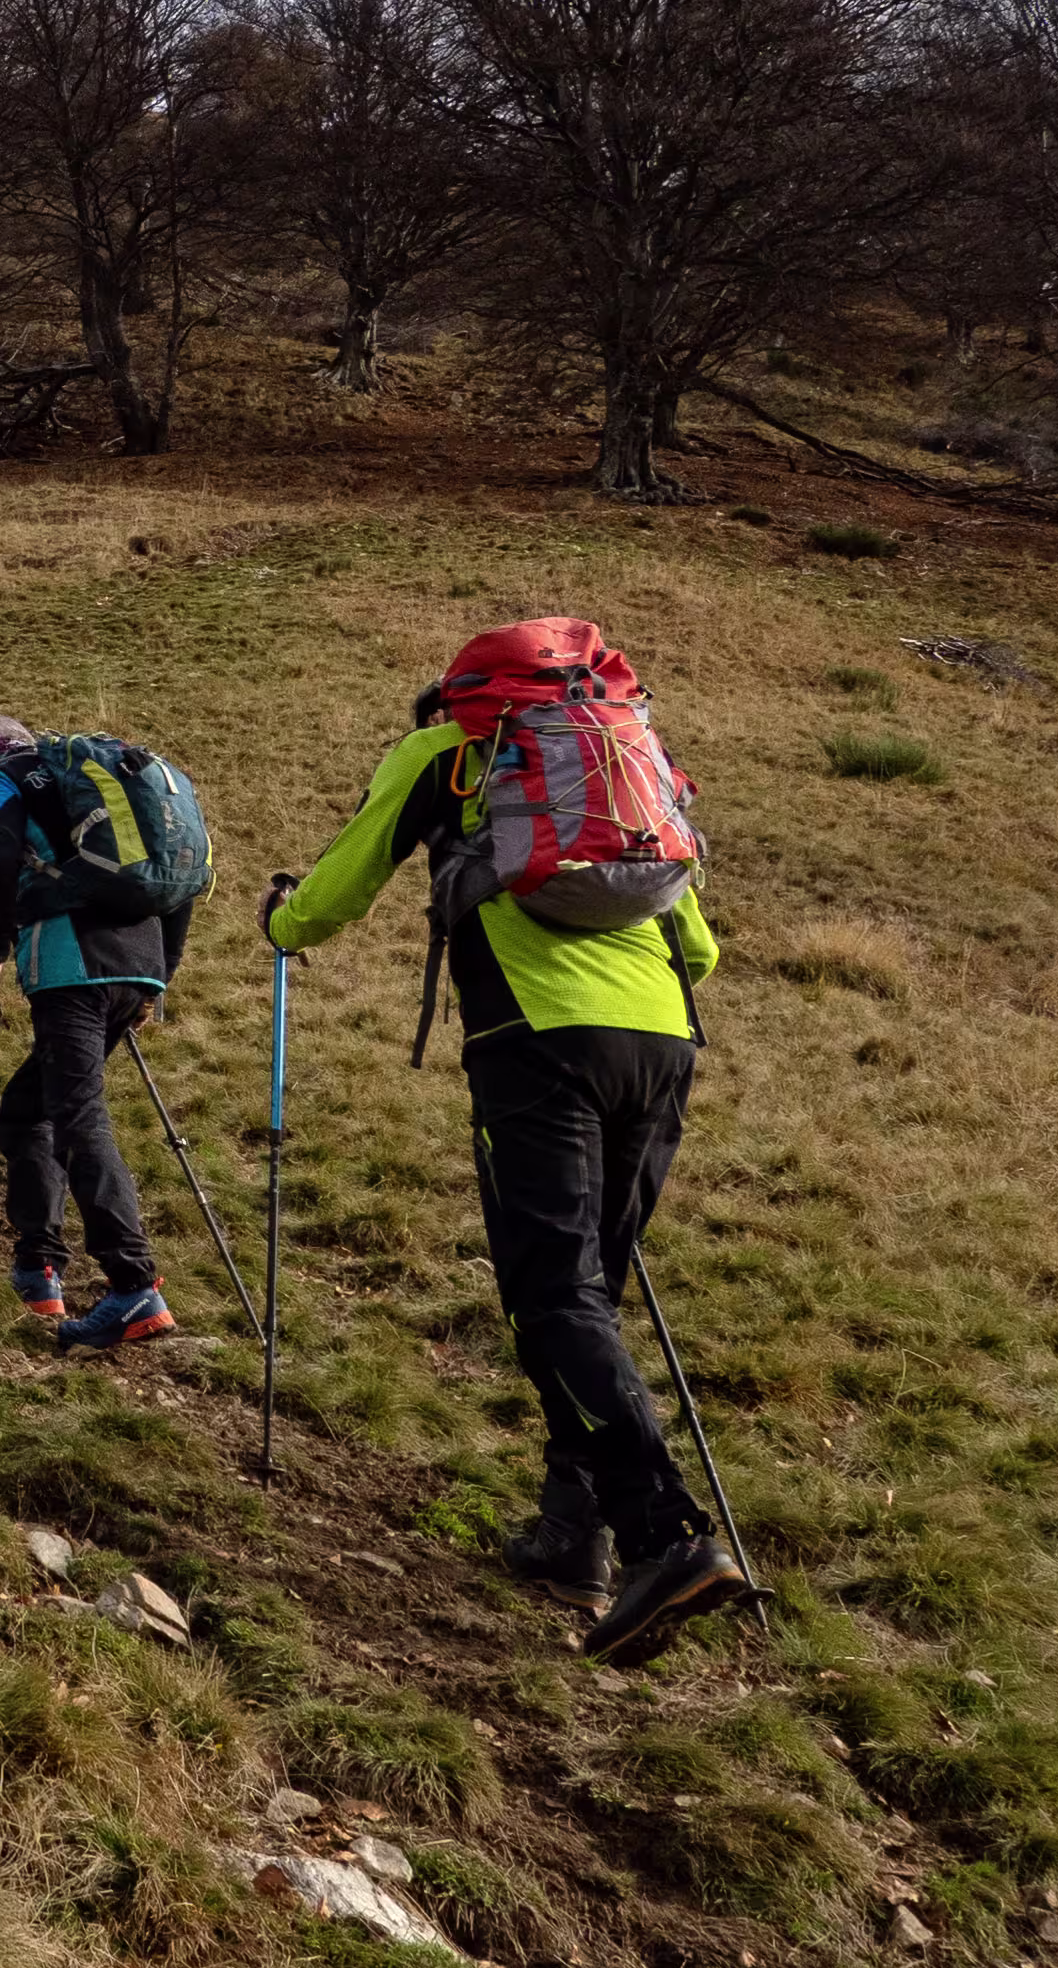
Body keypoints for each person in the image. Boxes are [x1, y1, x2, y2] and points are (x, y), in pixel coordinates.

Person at [259, 637, 752, 1661]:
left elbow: (339, 889)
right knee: (591, 1292)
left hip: (538, 1041)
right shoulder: (617, 762)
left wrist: (284, 923)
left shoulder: (442, 754)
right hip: (663, 1041)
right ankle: (577, 1538)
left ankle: (665, 1536)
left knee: (553, 1296)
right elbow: (696, 943)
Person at [0, 715, 171, 1349]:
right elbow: (174, 875)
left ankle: (134, 1285)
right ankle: (39, 1269)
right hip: (138, 965)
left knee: (78, 1116)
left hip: (72, 964)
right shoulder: (102, 787)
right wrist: (160, 980)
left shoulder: (6, 778)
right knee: (29, 1110)